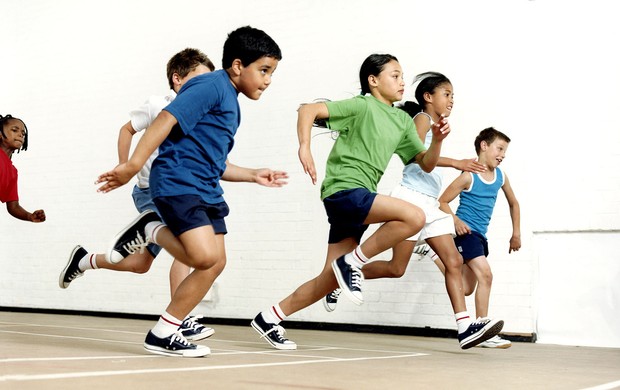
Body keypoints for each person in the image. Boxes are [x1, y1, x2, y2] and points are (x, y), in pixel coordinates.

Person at [94, 26, 285, 358]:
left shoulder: (232, 105)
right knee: (202, 256)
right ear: (238, 65)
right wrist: (132, 164)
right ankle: (150, 229)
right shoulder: (210, 84)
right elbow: (166, 119)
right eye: (264, 70)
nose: (268, 80)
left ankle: (163, 333)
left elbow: (219, 163)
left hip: (206, 187)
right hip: (178, 180)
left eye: (272, 72)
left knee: (215, 263)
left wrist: (254, 174)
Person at [251, 54, 450, 351]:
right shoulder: (362, 105)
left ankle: (269, 318)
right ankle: (352, 263)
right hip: (344, 190)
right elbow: (307, 110)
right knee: (414, 217)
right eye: (394, 75)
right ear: (373, 80)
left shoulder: (401, 121)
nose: (401, 82)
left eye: (402, 76)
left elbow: (426, 164)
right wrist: (304, 147)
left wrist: (436, 141)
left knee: (328, 279)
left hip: (360, 197)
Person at [321, 72, 504, 349]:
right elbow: (417, 158)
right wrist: (456, 162)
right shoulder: (421, 119)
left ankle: (464, 327)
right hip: (412, 198)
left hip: (431, 203)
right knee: (397, 269)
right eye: (447, 94)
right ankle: (338, 278)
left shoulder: (437, 125)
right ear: (428, 98)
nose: (451, 100)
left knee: (452, 262)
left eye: (453, 95)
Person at [58, 48, 216, 341]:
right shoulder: (159, 105)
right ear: (178, 79)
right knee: (188, 246)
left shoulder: (201, 112)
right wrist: (125, 165)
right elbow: (126, 129)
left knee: (139, 264)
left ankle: (84, 260)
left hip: (182, 192)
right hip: (153, 191)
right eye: (200, 78)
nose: (207, 86)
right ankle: (182, 319)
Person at [436, 127, 520, 349]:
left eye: (505, 152)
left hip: (481, 237)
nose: (502, 155)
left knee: (465, 288)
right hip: (466, 234)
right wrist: (455, 221)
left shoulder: (501, 176)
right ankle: (485, 332)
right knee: (486, 275)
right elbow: (442, 201)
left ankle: (434, 257)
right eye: (499, 149)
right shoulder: (468, 175)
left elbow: (514, 203)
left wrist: (516, 233)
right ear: (484, 146)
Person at [0, 114, 46, 223]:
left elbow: (13, 206)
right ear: (0, 134)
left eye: (23, 133)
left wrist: (29, 216)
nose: (20, 134)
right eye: (14, 130)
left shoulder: (12, 171)